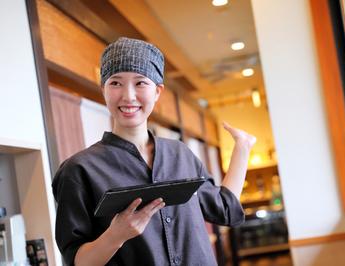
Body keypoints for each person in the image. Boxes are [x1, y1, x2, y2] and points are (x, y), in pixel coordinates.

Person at [52, 37, 256, 266]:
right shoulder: (79, 170)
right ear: (103, 90)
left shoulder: (181, 154)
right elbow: (75, 261)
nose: (128, 96)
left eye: (140, 83)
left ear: (158, 91)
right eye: (116, 83)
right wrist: (115, 235)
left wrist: (242, 148)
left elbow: (224, 209)